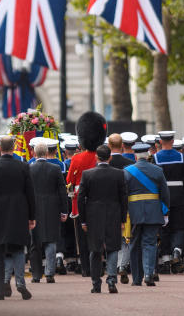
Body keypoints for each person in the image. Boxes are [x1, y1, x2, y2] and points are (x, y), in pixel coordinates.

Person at [0, 135, 35, 301]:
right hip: (19, 212)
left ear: (0, 149)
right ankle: (20, 283)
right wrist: (32, 216)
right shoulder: (23, 166)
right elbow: (30, 193)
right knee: (18, 248)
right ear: (14, 147)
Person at [78, 144, 127, 294]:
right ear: (110, 157)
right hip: (113, 214)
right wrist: (123, 219)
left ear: (96, 157)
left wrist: (83, 220)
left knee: (95, 250)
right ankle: (111, 280)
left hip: (94, 216)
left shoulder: (87, 174)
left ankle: (96, 283)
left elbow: (81, 199)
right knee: (112, 248)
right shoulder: (118, 174)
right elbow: (123, 198)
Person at [66, 111, 106, 277]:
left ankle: (85, 268)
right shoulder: (102, 156)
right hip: (100, 199)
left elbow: (69, 181)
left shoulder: (76, 159)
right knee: (98, 235)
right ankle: (100, 265)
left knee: (82, 238)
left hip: (79, 202)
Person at [124, 142, 169, 286]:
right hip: (153, 211)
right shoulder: (157, 170)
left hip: (133, 213)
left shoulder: (127, 171)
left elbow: (123, 195)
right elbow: (165, 194)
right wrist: (165, 212)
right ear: (148, 155)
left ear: (135, 156)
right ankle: (149, 274)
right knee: (150, 243)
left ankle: (137, 279)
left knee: (134, 244)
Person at [28, 139, 68, 284]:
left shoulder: (29, 168)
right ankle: (49, 273)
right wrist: (64, 210)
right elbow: (62, 191)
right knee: (51, 241)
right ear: (46, 153)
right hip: (52, 208)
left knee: (35, 243)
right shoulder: (55, 169)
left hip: (34, 208)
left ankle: (36, 274)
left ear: (34, 153)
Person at [154, 130, 184, 272]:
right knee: (179, 226)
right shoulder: (182, 157)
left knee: (164, 226)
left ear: (160, 142)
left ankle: (166, 258)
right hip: (179, 195)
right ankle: (177, 250)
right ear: (173, 142)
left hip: (162, 196)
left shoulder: (155, 158)